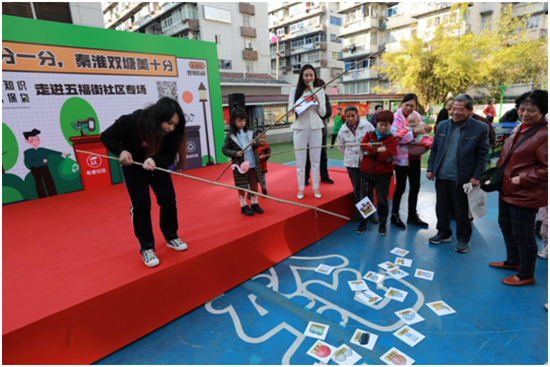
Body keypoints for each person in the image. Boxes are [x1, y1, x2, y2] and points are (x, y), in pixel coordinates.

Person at [101, 97, 188, 268]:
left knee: (168, 200)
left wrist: (154, 160)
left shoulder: (170, 134)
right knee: (141, 205)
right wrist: (121, 151)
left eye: (175, 125)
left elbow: (169, 155)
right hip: (133, 168)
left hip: (156, 166)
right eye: (169, 123)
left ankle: (171, 237)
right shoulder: (131, 122)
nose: (171, 128)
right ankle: (147, 248)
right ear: (158, 116)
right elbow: (106, 137)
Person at [489, 90, 548, 286]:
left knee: (523, 234)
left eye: (531, 110)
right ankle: (513, 261)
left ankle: (526, 274)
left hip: (525, 193)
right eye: (522, 109)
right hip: (507, 189)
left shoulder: (544, 134)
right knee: (506, 227)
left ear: (543, 111)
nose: (525, 113)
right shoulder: (520, 127)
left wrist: (522, 179)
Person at [427, 94, 490, 254]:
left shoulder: (480, 128)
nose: (455, 112)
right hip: (441, 175)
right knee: (441, 207)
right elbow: (434, 149)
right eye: (453, 108)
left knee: (462, 211)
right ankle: (443, 233)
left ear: (470, 110)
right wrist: (430, 168)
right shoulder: (442, 126)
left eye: (460, 109)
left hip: (463, 177)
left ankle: (463, 239)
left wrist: (476, 175)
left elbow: (482, 154)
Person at [391, 94, 430, 229]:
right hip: (401, 159)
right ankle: (394, 215)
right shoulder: (395, 119)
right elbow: (398, 139)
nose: (408, 108)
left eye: (412, 105)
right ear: (401, 104)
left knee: (415, 187)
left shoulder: (417, 116)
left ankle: (412, 215)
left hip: (415, 158)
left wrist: (425, 131)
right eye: (406, 104)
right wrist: (415, 132)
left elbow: (422, 132)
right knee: (400, 187)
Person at [288, 64, 326, 200]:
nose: (308, 78)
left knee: (316, 160)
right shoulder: (294, 91)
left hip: (316, 127)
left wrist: (318, 101)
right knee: (300, 161)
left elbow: (323, 113)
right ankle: (301, 189)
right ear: (301, 77)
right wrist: (294, 107)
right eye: (306, 75)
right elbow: (289, 114)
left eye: (311, 75)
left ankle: (316, 187)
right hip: (299, 128)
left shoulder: (319, 91)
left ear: (314, 76)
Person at [359, 110, 398, 235]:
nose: (383, 127)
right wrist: (379, 150)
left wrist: (372, 151)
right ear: (376, 123)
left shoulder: (392, 138)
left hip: (383, 176)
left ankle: (382, 223)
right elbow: (363, 149)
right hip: (366, 173)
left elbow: (388, 157)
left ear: (390, 125)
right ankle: (364, 222)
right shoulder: (369, 135)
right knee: (365, 199)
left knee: (382, 201)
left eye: (386, 125)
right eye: (381, 124)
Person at [222, 105, 265, 217]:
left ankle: (255, 203)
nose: (242, 123)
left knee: (254, 185)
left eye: (244, 120)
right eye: (239, 121)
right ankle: (244, 206)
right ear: (233, 121)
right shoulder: (230, 135)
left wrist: (254, 143)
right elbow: (224, 149)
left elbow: (258, 144)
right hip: (240, 167)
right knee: (241, 186)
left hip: (253, 164)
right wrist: (235, 153)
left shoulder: (250, 132)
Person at [337, 106, 374, 230]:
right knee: (357, 189)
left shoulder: (367, 126)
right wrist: (351, 155)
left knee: (368, 188)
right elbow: (341, 147)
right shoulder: (342, 131)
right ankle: (359, 214)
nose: (351, 118)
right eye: (348, 116)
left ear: (357, 115)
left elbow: (374, 139)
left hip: (366, 161)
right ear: (345, 117)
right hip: (352, 164)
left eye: (353, 115)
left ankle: (370, 214)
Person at [23, 129, 70, 198]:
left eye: (37, 139)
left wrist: (62, 153)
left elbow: (51, 151)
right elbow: (29, 162)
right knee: (39, 182)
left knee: (49, 180)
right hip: (35, 169)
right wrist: (41, 162)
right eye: (32, 139)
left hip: (44, 167)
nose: (36, 140)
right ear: (27, 141)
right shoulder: (27, 152)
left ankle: (53, 195)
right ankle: (42, 197)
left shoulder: (42, 149)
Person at [305, 79, 334, 185]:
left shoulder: (325, 97)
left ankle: (324, 176)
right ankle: (305, 178)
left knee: (322, 154)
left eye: (322, 89)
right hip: (308, 130)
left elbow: (327, 113)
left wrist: (319, 104)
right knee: (307, 154)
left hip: (321, 130)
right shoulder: (305, 96)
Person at [256, 130, 271, 196]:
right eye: (260, 138)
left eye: (263, 138)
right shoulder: (253, 146)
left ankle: (264, 189)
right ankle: (250, 192)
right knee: (251, 180)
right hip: (253, 167)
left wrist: (263, 156)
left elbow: (267, 155)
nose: (262, 139)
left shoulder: (266, 147)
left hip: (262, 167)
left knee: (262, 180)